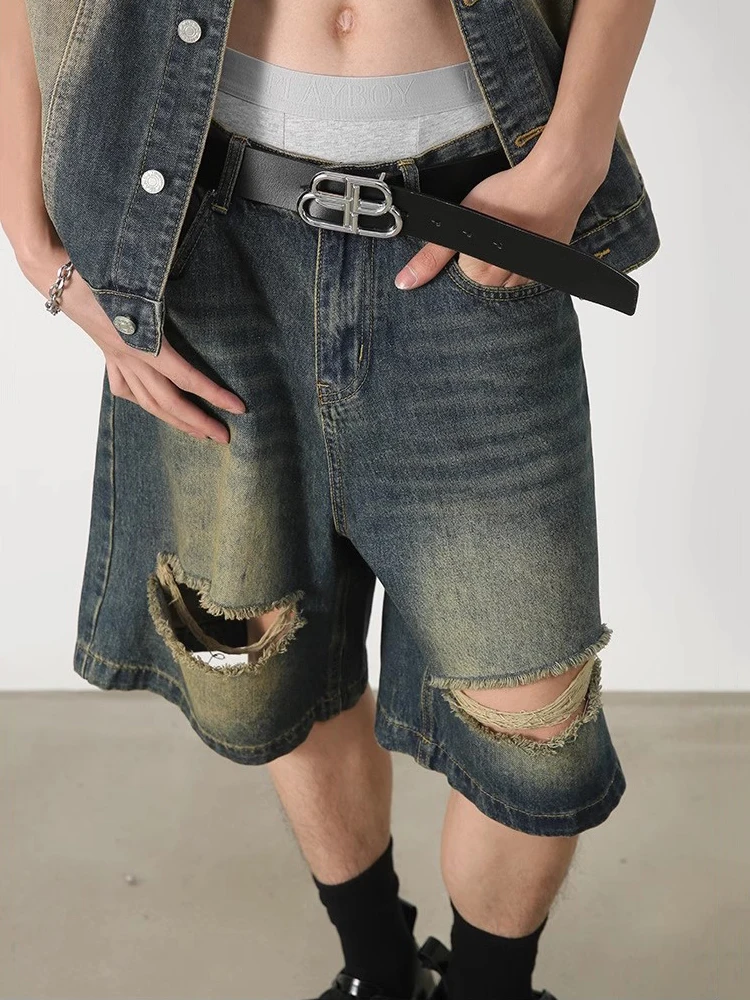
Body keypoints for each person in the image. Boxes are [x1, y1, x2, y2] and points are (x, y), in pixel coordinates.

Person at [1, 1, 660, 998]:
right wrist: (33, 236)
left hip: (472, 227)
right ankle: (377, 974)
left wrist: (572, 154)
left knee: (537, 720)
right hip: (205, 227)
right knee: (261, 644)